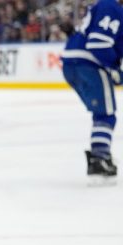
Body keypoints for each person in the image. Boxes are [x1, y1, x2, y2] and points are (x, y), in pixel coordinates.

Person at [61, 0, 120, 184]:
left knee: (102, 113)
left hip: (74, 63)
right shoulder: (112, 7)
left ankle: (100, 155)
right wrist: (114, 70)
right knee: (105, 114)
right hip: (88, 63)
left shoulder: (108, 6)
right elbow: (98, 44)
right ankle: (99, 159)